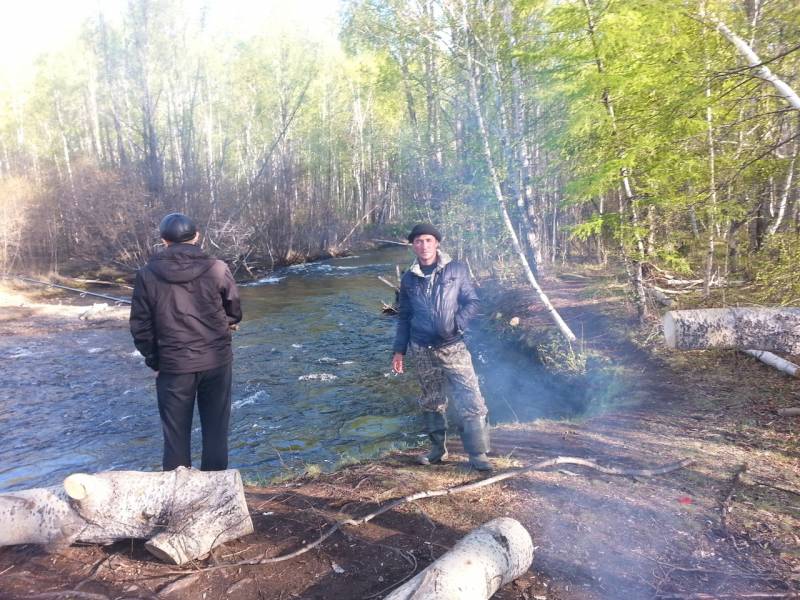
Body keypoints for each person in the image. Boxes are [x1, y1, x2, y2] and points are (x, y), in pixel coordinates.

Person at [130, 213, 242, 471]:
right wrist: (225, 323)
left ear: (163, 240)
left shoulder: (147, 274)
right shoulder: (217, 268)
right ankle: (216, 496)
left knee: (175, 439)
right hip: (216, 361)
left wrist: (155, 360)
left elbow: (140, 326)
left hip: (173, 366)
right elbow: (234, 311)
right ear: (197, 236)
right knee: (215, 432)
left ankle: (179, 501)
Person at [392, 223, 492, 471]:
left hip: (453, 347)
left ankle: (478, 454)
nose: (423, 245)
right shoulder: (408, 278)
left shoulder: (456, 269)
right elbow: (403, 316)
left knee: (471, 397)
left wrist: (457, 325)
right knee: (431, 400)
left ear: (436, 243)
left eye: (428, 240)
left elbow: (473, 302)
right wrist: (399, 350)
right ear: (412, 246)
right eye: (418, 241)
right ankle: (437, 451)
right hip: (421, 349)